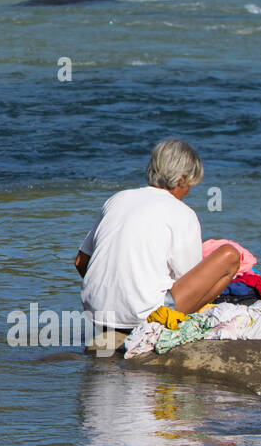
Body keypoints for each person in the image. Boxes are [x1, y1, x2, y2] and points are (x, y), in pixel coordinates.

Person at [74, 139, 240, 331]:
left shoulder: (117, 199)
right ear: (182, 179)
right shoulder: (182, 212)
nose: (188, 191)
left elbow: (81, 261)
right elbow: (188, 277)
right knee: (230, 255)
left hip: (97, 315)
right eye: (190, 185)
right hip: (145, 317)